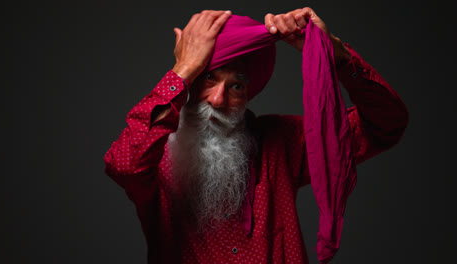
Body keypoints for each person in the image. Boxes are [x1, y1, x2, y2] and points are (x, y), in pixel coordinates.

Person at [104, 8, 408, 264]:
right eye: (208, 77)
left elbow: (386, 123)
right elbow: (124, 164)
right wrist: (182, 69)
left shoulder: (281, 142)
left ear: (250, 93)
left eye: (236, 85)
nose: (218, 100)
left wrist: (336, 54)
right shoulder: (154, 156)